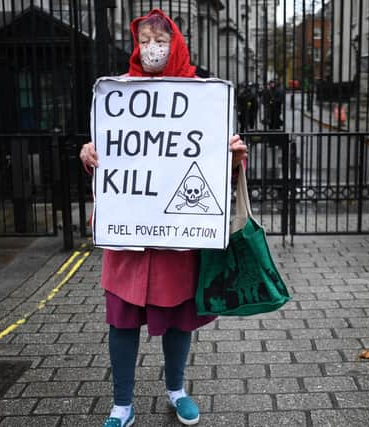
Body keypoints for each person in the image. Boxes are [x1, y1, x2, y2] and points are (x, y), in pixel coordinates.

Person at [78, 9, 247, 427]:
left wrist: (234, 157)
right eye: (144, 40)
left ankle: (176, 389)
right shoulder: (119, 94)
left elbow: (211, 165)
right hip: (129, 236)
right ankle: (122, 404)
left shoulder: (200, 95)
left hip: (176, 237)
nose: (151, 48)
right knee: (122, 319)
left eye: (160, 40)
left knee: (177, 318)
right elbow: (110, 153)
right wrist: (89, 156)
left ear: (177, 45)